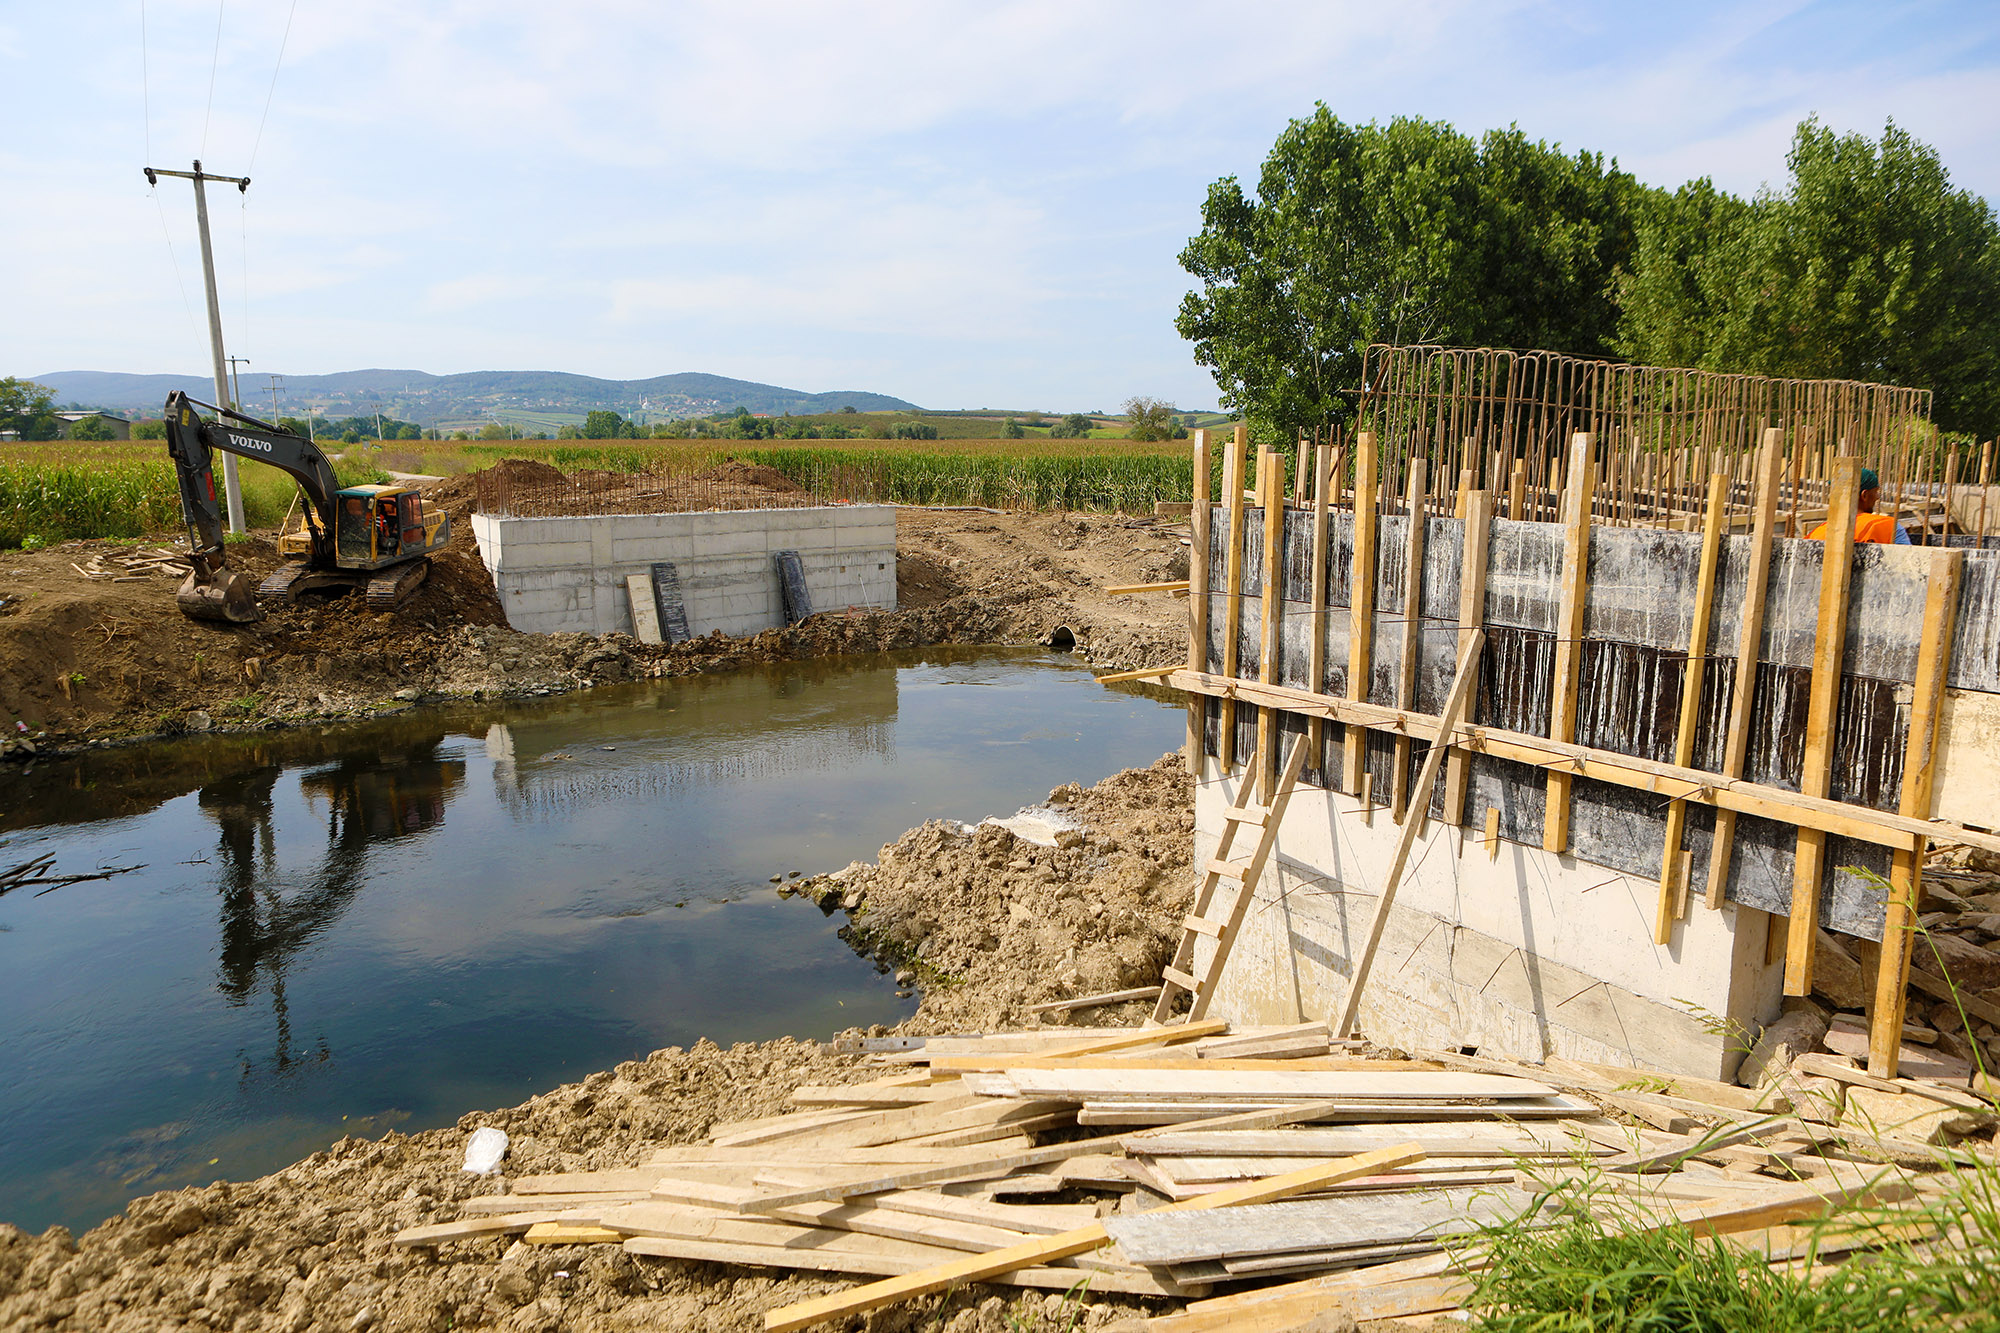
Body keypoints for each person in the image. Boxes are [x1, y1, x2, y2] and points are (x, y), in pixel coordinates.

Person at [1809, 467, 1910, 544]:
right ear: (1864, 495)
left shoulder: (1817, 533)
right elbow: (1908, 566)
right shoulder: (1889, 527)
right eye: (1876, 492)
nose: (1878, 497)